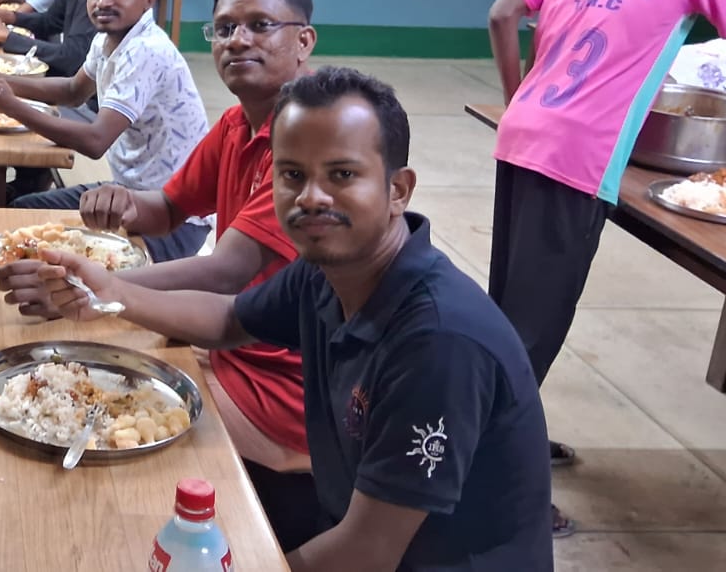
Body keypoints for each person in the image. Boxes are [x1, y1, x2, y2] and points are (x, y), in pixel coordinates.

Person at [33, 67, 554, 570]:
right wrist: (112, 292)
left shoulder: (438, 343)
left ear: (398, 190)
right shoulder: (327, 270)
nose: (311, 197)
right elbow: (228, 319)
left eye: (342, 174)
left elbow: (365, 554)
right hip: (343, 513)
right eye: (292, 175)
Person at [0, 0, 317, 546]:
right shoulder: (236, 124)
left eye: (260, 25)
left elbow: (226, 270)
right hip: (230, 338)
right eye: (224, 28)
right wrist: (123, 203)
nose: (238, 40)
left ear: (304, 41)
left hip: (281, 379)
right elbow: (168, 208)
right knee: (70, 388)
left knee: (104, 421)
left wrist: (104, 291)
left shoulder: (309, 143)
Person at [485, 0, 726, 536]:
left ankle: (509, 432)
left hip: (524, 135)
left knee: (511, 307)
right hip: (579, 156)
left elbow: (503, 13)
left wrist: (516, 97)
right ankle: (497, 487)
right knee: (536, 326)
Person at [0, 0, 210, 260]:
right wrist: (4, 82)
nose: (103, 2)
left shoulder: (145, 50)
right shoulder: (106, 39)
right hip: (129, 195)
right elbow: (73, 90)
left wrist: (10, 105)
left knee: (61, 260)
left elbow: (96, 141)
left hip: (175, 217)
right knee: (22, 212)